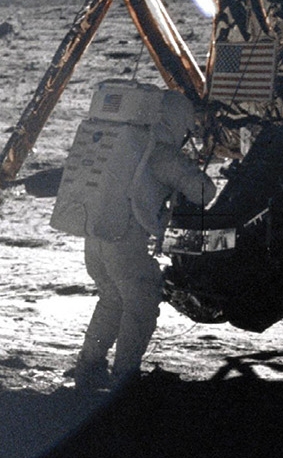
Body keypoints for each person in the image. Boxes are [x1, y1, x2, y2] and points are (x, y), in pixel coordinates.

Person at [67, 91, 216, 389]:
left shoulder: (128, 147)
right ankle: (124, 376)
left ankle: (89, 365)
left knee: (112, 300)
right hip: (125, 241)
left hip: (96, 238)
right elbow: (204, 192)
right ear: (177, 123)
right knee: (142, 302)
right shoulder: (161, 153)